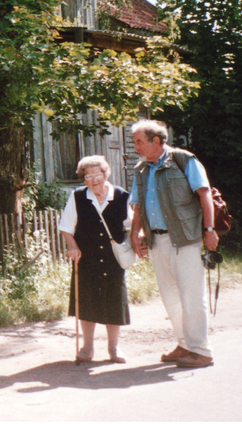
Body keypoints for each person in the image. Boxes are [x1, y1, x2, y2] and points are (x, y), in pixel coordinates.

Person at [129, 119, 218, 369]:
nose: (135, 146)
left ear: (155, 141)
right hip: (157, 241)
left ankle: (201, 350)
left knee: (191, 296)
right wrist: (136, 234)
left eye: (138, 141)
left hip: (185, 239)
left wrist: (209, 230)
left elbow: (204, 194)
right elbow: (137, 206)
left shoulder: (184, 160)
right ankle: (184, 344)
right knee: (170, 298)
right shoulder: (141, 169)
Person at [59, 155, 132, 363]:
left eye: (96, 174)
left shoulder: (121, 196)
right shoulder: (77, 197)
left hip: (112, 257)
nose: (92, 180)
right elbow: (66, 227)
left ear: (105, 174)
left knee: (114, 300)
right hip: (87, 255)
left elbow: (132, 224)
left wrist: (139, 239)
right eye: (87, 176)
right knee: (87, 300)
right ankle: (87, 347)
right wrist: (72, 246)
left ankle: (114, 348)